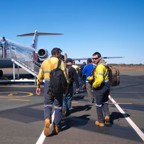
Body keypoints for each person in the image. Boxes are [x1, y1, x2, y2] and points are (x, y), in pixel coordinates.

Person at [36, 47, 67, 136]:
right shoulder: (61, 63)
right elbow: (65, 76)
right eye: (60, 54)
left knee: (47, 105)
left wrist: (38, 86)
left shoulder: (45, 62)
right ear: (57, 54)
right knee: (58, 107)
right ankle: (56, 125)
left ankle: (47, 119)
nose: (60, 55)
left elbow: (39, 76)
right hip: (58, 86)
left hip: (47, 85)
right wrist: (66, 87)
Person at [88, 52, 110, 127]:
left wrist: (94, 85)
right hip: (107, 86)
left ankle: (100, 121)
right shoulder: (105, 64)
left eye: (96, 58)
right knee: (105, 102)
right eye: (93, 58)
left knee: (98, 105)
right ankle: (107, 116)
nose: (94, 60)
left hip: (100, 87)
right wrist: (90, 78)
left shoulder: (100, 66)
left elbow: (100, 79)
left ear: (100, 58)